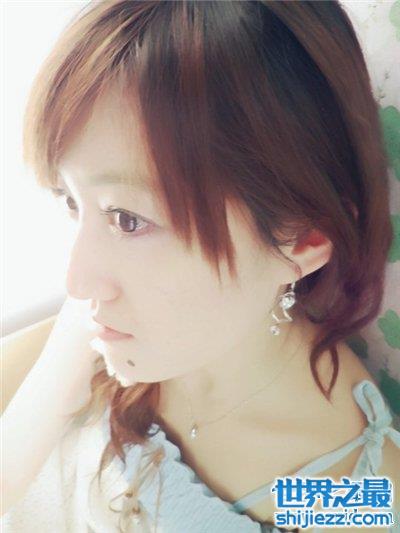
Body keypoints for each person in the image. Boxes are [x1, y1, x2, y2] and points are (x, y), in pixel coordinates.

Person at [2, 1, 400, 531]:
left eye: (127, 220)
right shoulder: (106, 322)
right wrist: (58, 385)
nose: (77, 280)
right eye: (70, 200)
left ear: (305, 240)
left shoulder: (338, 490)